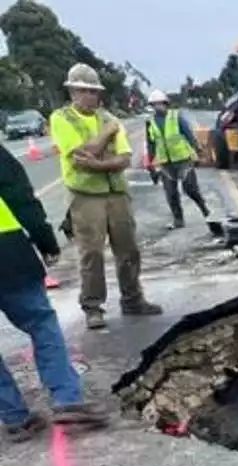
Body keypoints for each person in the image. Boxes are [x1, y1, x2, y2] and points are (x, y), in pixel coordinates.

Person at [0, 143, 110, 441]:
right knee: (41, 323)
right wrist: (46, 242)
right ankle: (67, 400)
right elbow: (20, 199)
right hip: (7, 256)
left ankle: (15, 418)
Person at [49, 63, 162, 331]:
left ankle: (133, 299)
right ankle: (92, 306)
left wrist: (98, 161)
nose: (92, 97)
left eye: (94, 91)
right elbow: (79, 157)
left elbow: (123, 158)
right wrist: (106, 137)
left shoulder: (108, 117)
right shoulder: (63, 118)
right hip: (86, 195)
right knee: (92, 252)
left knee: (128, 249)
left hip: (116, 192)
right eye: (85, 91)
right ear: (73, 92)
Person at [144, 89, 212, 230]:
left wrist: (198, 151)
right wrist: (150, 165)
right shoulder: (150, 123)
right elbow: (151, 144)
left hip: (183, 160)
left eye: (160, 104)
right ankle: (178, 220)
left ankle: (206, 211)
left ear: (166, 104)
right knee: (171, 194)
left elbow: (189, 135)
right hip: (165, 163)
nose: (157, 107)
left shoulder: (176, 117)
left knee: (191, 189)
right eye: (154, 105)